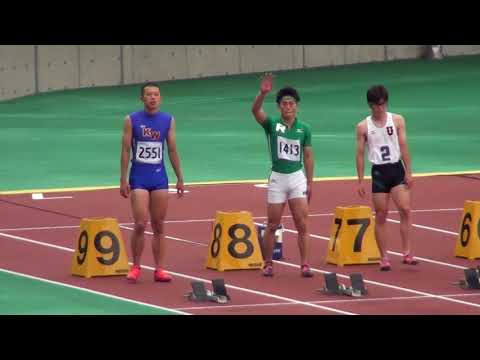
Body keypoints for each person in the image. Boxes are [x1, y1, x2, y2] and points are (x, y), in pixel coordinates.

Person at [251, 73, 314, 277]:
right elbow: (255, 111)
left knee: (302, 223)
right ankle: (268, 263)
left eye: (292, 103)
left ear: (297, 106)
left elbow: (308, 155)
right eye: (285, 103)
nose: (288, 107)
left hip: (297, 176)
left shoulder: (305, 128)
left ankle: (304, 264)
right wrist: (262, 93)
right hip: (278, 177)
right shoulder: (272, 124)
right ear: (279, 106)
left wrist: (310, 182)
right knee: (272, 224)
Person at [120, 82, 185, 283]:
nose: (153, 98)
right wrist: (123, 178)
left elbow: (172, 149)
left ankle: (159, 269)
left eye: (156, 94)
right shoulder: (132, 120)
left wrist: (180, 177)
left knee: (159, 224)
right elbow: (125, 150)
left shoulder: (168, 120)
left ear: (160, 98)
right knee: (140, 223)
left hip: (159, 178)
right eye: (149, 94)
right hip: (139, 177)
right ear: (142, 98)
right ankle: (136, 266)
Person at [355, 84, 417, 271]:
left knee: (405, 209)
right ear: (370, 105)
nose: (380, 109)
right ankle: (384, 257)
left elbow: (404, 145)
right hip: (379, 172)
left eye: (382, 105)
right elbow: (359, 153)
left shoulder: (397, 120)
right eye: (376, 105)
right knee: (381, 215)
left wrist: (409, 171)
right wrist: (360, 180)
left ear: (386, 103)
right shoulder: (363, 126)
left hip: (396, 169)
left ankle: (406, 252)